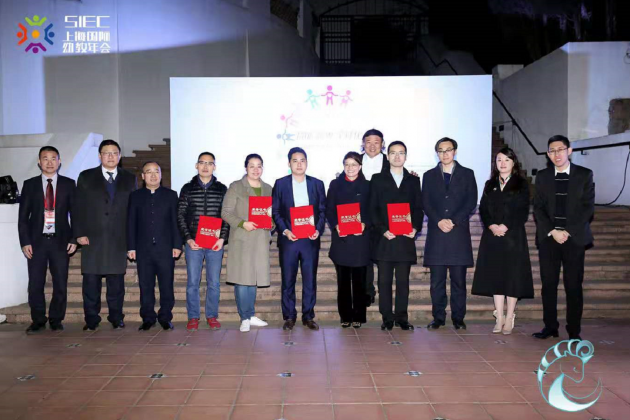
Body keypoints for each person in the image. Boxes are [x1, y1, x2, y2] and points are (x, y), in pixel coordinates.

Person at [532, 135, 594, 341]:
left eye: (560, 149)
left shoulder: (584, 175)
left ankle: (574, 331)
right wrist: (553, 231)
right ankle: (550, 327)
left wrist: (567, 231)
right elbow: (538, 207)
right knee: (548, 285)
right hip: (549, 238)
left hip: (574, 239)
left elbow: (587, 208)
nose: (556, 154)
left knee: (573, 286)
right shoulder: (542, 176)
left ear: (569, 151)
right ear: (548, 154)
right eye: (552, 150)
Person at [75, 139, 137, 331]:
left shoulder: (129, 178)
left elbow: (133, 210)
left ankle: (116, 317)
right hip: (92, 238)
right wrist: (79, 233)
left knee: (116, 284)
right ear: (99, 156)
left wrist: (132, 239)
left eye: (114, 153)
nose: (111, 156)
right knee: (91, 283)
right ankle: (91, 319)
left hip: (119, 238)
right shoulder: (86, 176)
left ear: (120, 156)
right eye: (106, 153)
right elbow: (77, 207)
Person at [471, 147, 534, 335]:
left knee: (512, 276)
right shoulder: (490, 184)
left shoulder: (521, 184)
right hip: (492, 237)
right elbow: (483, 209)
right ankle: (499, 316)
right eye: (499, 160)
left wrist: (505, 226)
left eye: (507, 160)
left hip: (513, 236)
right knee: (496, 275)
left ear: (513, 162)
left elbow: (522, 210)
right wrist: (491, 225)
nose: (503, 163)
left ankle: (509, 316)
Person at [18, 146, 77, 333]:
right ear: (39, 162)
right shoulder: (30, 185)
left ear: (59, 162)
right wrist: (25, 242)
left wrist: (74, 238)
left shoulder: (69, 184)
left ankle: (56, 319)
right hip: (36, 242)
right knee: (35, 283)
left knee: (60, 282)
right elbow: (23, 217)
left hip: (60, 242)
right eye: (45, 158)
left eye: (53, 158)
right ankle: (38, 320)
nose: (49, 162)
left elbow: (76, 214)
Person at [423, 137, 477, 330]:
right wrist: (439, 220)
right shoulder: (429, 175)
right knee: (436, 282)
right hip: (436, 234)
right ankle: (438, 317)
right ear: (436, 153)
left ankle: (458, 318)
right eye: (441, 150)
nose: (444, 154)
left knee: (458, 281)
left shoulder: (467, 174)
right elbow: (425, 202)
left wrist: (453, 220)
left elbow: (471, 201)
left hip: (458, 234)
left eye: (448, 150)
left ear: (455, 151)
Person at [370, 141, 423, 331]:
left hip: (405, 240)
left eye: (401, 153)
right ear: (388, 156)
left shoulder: (413, 180)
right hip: (385, 239)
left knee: (403, 283)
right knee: (384, 282)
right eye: (393, 153)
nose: (397, 156)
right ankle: (387, 318)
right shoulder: (377, 179)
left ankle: (402, 317)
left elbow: (418, 208)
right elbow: (372, 208)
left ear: (406, 156)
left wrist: (415, 228)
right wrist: (382, 229)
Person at [272, 147, 326, 331]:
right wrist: (285, 230)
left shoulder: (317, 184)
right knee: (288, 280)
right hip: (289, 240)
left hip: (310, 240)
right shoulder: (281, 184)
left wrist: (318, 229)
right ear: (289, 163)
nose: (299, 164)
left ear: (307, 163)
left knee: (309, 280)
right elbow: (276, 211)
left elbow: (322, 210)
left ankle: (308, 316)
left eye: (302, 160)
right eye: (295, 161)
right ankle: (289, 316)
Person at [127, 162, 182, 331]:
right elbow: (131, 222)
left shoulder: (171, 195)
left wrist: (177, 244)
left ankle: (165, 316)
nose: (153, 175)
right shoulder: (135, 196)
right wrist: (131, 247)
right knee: (145, 285)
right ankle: (148, 317)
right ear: (143, 176)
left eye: (156, 171)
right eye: (148, 172)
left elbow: (175, 222)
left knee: (166, 285)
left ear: (161, 175)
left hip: (165, 248)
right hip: (143, 249)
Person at [178, 152, 229, 332]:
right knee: (193, 282)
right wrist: (188, 238)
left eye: (209, 163)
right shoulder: (187, 188)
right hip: (194, 243)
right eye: (202, 163)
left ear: (214, 167)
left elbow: (226, 216)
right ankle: (193, 316)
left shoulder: (222, 189)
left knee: (214, 282)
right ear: (196, 165)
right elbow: (181, 215)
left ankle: (211, 315)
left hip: (215, 243)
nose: (206, 166)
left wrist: (222, 238)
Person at [221, 154, 272, 333]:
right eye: (252, 166)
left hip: (260, 240)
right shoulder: (236, 187)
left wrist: (271, 223)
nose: (256, 169)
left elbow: (271, 213)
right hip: (242, 238)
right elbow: (226, 212)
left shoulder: (268, 188)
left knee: (253, 279)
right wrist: (243, 223)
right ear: (246, 168)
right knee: (242, 279)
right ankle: (244, 317)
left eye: (259, 166)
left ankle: (250, 315)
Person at [326, 152, 371, 328]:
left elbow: (373, 209)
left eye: (354, 164)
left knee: (359, 282)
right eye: (347, 164)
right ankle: (345, 316)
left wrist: (365, 224)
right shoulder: (335, 184)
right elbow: (329, 209)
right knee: (343, 282)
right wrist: (336, 225)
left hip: (361, 240)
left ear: (360, 166)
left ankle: (359, 315)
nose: (350, 168)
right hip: (342, 240)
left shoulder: (368, 185)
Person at [360, 129, 390, 307]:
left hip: (383, 218)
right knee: (364, 257)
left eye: (376, 142)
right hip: (362, 217)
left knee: (382, 258)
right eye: (368, 142)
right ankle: (367, 292)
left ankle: (384, 293)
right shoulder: (355, 161)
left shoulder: (390, 161)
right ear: (363, 144)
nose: (372, 146)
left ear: (382, 144)